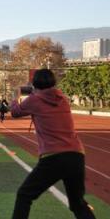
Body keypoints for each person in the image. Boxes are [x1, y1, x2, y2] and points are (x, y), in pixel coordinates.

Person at [10, 69, 96, 219]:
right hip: (76, 155)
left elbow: (15, 112)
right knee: (77, 204)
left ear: (35, 84)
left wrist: (14, 97)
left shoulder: (34, 100)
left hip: (53, 157)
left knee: (24, 195)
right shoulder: (62, 98)